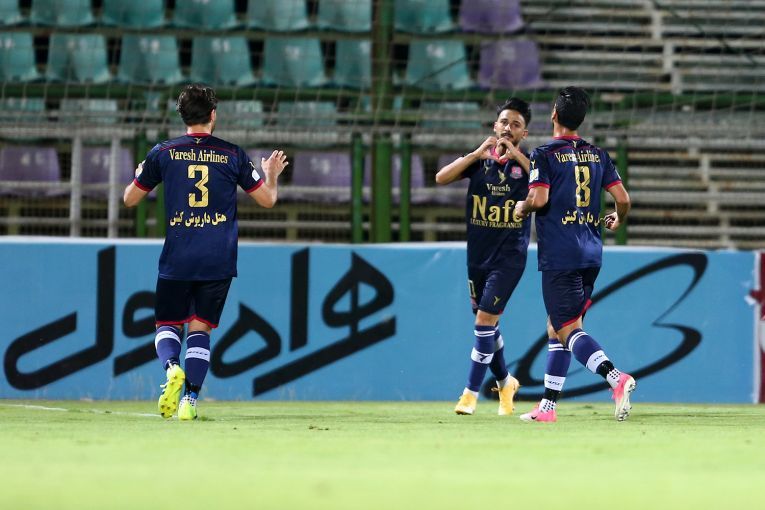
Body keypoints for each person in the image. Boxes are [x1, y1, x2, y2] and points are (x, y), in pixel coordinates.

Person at [123, 84, 288, 420]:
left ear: (183, 116)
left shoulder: (163, 153)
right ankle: (189, 401)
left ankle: (172, 367)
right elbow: (268, 200)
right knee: (201, 329)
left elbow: (129, 199)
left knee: (167, 324)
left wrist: (139, 173)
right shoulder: (232, 154)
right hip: (218, 257)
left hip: (178, 255)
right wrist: (271, 176)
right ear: (213, 115)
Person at [513, 86, 636, 422]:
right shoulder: (598, 155)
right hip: (591, 252)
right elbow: (623, 199)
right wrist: (617, 218)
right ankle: (548, 407)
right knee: (557, 328)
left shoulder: (544, 154)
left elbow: (539, 199)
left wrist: (522, 207)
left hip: (560, 253)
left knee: (567, 329)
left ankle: (616, 378)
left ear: (554, 114)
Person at [435, 97, 533, 416]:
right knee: (487, 325)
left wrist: (516, 154)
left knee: (483, 321)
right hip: (477, 257)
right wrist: (476, 154)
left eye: (515, 125)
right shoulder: (479, 161)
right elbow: (441, 177)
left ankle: (469, 394)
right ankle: (505, 382)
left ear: (524, 133)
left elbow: (544, 181)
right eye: (504, 122)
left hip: (510, 257)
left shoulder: (530, 164)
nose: (508, 128)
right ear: (494, 125)